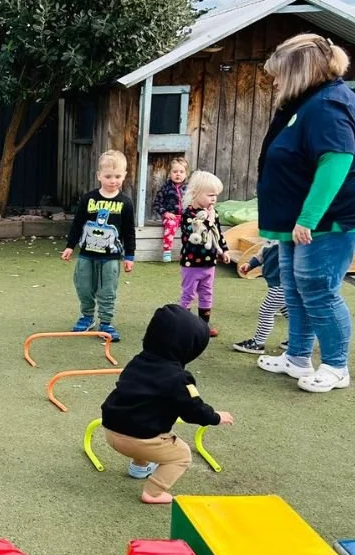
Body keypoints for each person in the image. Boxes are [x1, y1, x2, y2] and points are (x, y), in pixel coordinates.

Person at [255, 34, 355, 393]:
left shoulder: (329, 106)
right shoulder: (307, 100)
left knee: (318, 288)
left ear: (300, 72)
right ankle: (297, 357)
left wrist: (307, 219)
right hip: (296, 217)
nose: (276, 81)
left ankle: (336, 366)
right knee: (294, 287)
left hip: (334, 218)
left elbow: (335, 163)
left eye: (280, 74)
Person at [100, 304, 234, 505]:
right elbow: (193, 410)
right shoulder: (179, 378)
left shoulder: (138, 360)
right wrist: (215, 417)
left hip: (110, 430)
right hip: (139, 440)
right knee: (181, 455)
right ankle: (153, 493)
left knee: (143, 417)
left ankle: (139, 468)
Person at [60, 150, 136, 341]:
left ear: (124, 175)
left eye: (118, 176)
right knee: (83, 286)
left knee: (107, 290)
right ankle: (86, 317)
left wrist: (129, 256)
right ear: (99, 176)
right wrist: (70, 245)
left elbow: (129, 231)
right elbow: (78, 224)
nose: (113, 180)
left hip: (111, 257)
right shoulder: (89, 199)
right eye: (108, 176)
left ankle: (106, 323)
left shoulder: (125, 203)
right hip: (87, 254)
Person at [177, 171, 230, 337]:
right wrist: (209, 219)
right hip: (192, 263)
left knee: (207, 293)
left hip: (209, 263)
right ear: (195, 193)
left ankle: (203, 326)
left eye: (216, 195)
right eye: (210, 195)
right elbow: (192, 237)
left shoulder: (213, 213)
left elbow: (217, 233)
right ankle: (183, 325)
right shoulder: (189, 215)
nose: (214, 199)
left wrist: (224, 250)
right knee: (188, 294)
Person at [232, 241, 288, 355]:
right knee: (287, 311)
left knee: (266, 311)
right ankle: (298, 339)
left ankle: (258, 343)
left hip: (282, 283)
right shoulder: (270, 239)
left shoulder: (286, 239)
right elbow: (261, 254)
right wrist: (250, 264)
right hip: (277, 282)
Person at [153, 157, 189, 263]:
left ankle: (187, 252)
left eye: (181, 172)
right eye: (175, 171)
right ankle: (167, 251)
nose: (178, 174)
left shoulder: (188, 189)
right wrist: (165, 213)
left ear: (186, 174)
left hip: (185, 216)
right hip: (171, 217)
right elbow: (157, 203)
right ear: (170, 173)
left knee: (191, 229)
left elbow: (193, 203)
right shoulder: (165, 188)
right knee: (170, 225)